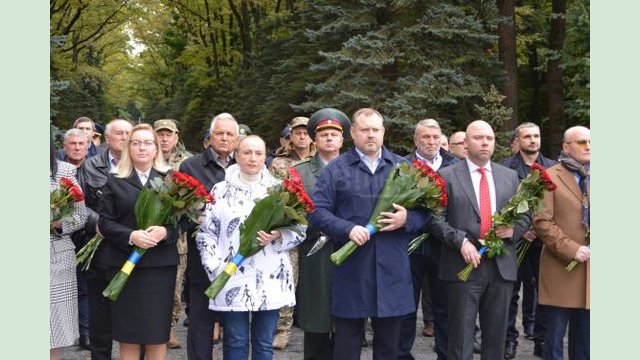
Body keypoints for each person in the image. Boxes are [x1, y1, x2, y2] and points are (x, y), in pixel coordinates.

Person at [309, 108, 431, 359]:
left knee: (389, 349)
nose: (371, 135)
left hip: (392, 270)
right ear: (353, 133)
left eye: (376, 129)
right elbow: (317, 212)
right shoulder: (337, 169)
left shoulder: (404, 168)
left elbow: (427, 214)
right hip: (352, 269)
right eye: (365, 130)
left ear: (383, 132)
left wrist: (407, 219)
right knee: (346, 347)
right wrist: (348, 229)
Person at [196, 135, 305, 359]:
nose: (252, 158)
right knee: (236, 341)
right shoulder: (220, 190)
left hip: (270, 275)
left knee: (264, 342)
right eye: (246, 152)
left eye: (258, 153)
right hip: (231, 274)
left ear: (266, 157)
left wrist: (278, 235)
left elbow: (301, 230)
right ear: (236, 155)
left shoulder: (280, 190)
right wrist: (215, 266)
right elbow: (206, 233)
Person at [430, 120, 529, 360]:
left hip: (500, 267)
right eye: (478, 138)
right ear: (465, 143)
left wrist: (514, 230)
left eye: (490, 138)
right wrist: (461, 241)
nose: (485, 142)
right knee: (460, 340)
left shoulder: (510, 177)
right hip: (461, 266)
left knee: (496, 339)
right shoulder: (445, 176)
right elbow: (434, 220)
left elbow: (526, 214)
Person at [97, 123, 177, 360]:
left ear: (156, 149)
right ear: (128, 148)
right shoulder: (115, 180)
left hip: (159, 268)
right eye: (136, 142)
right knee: (129, 334)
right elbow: (105, 222)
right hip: (124, 265)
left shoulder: (171, 180)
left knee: (156, 333)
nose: (142, 148)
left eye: (148, 143)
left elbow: (183, 222)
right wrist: (131, 236)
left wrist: (165, 231)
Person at [179, 112, 239, 360]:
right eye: (219, 133)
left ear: (237, 138)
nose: (224, 138)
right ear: (209, 138)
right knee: (201, 324)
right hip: (201, 259)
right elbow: (179, 212)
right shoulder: (190, 167)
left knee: (235, 328)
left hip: (238, 259)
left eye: (229, 134)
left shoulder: (246, 163)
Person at [400, 119, 458, 360]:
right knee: (405, 304)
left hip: (443, 246)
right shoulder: (402, 165)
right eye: (426, 137)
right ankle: (402, 354)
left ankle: (445, 353)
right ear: (416, 140)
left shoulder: (455, 165)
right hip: (410, 244)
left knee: (444, 305)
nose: (431, 142)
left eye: (435, 137)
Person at [295, 108, 350, 360]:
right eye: (324, 134)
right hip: (315, 250)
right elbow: (293, 211)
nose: (329, 138)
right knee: (317, 319)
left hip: (350, 249)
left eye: (334, 135)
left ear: (342, 140)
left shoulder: (356, 168)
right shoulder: (300, 172)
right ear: (314, 140)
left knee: (347, 321)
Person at [533, 126, 590, 360]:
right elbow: (542, 221)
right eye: (581, 142)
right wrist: (572, 249)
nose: (588, 146)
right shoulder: (547, 175)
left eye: (590, 142)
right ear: (566, 147)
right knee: (554, 339)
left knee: (586, 341)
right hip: (561, 268)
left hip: (591, 271)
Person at [78, 118, 133, 360]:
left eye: (127, 133)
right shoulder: (91, 166)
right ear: (106, 138)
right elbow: (79, 203)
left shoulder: (141, 165)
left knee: (133, 317)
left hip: (132, 248)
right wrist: (97, 223)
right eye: (118, 133)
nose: (123, 137)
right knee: (101, 319)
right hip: (99, 248)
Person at [500, 122, 557, 359]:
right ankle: (509, 340)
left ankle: (541, 339)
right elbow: (501, 204)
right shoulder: (504, 168)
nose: (533, 140)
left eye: (536, 136)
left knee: (545, 292)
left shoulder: (554, 168)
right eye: (527, 137)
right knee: (510, 293)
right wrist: (519, 229)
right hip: (515, 241)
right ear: (518, 140)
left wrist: (540, 229)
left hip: (544, 243)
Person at [153, 119, 193, 349]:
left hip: (176, 236)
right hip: (148, 232)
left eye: (169, 135)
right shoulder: (146, 158)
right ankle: (149, 327)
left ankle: (168, 327)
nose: (164, 139)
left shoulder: (187, 162)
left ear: (176, 137)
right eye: (160, 134)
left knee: (175, 287)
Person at [50, 139, 87, 360]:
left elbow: (80, 216)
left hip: (55, 254)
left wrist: (59, 224)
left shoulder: (63, 170)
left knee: (51, 332)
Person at [59, 128, 92, 351]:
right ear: (64, 147)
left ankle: (87, 332)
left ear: (88, 146)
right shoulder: (56, 171)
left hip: (92, 234)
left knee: (88, 287)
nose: (77, 147)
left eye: (81, 143)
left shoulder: (96, 168)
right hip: (64, 237)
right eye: (73, 144)